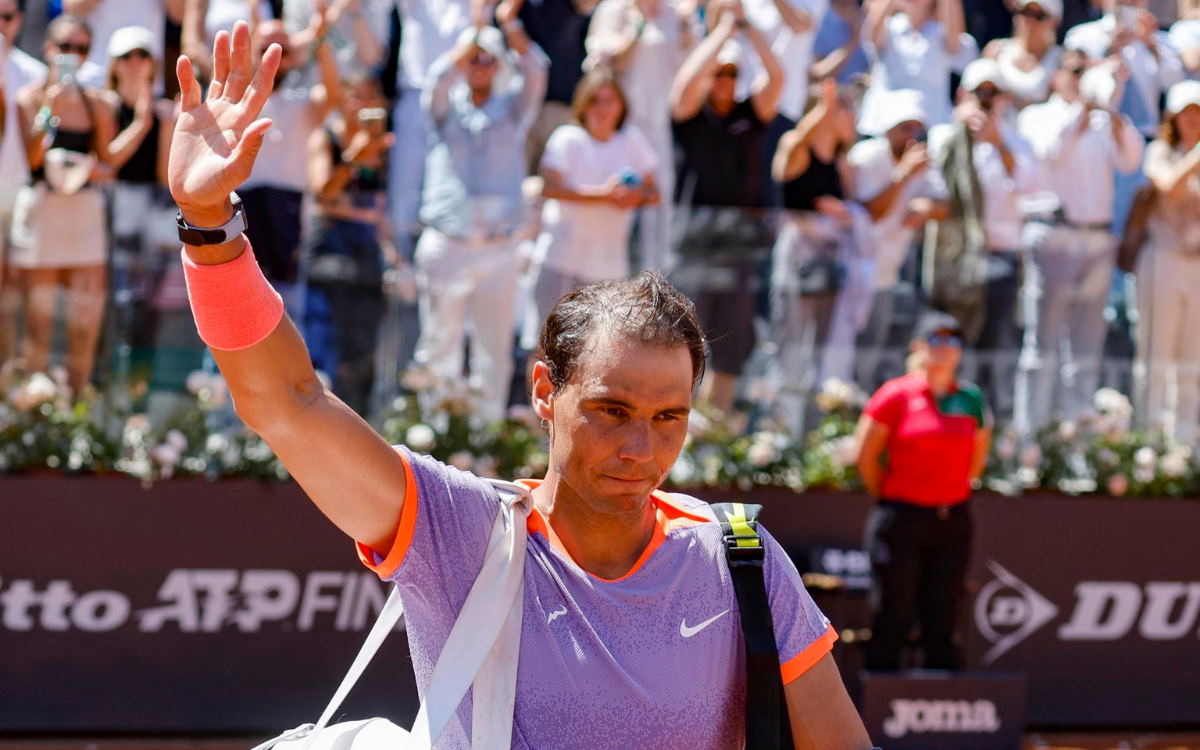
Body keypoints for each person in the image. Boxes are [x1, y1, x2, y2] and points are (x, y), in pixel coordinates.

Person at [167, 21, 875, 748]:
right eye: (611, 409)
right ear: (545, 391)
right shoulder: (460, 535)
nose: (641, 446)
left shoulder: (740, 559)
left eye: (670, 417)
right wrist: (208, 225)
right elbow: (287, 403)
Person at [413, 11, 549, 421]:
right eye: (473, 58)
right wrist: (470, 35)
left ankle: (484, 435)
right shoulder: (443, 109)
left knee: (494, 348)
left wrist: (505, 25)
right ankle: (435, 436)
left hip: (498, 246)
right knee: (439, 344)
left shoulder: (513, 111)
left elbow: (536, 68)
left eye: (488, 58)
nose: (479, 64)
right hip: (446, 241)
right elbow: (436, 79)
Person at [853, 310, 992, 672]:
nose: (945, 349)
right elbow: (866, 455)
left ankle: (940, 709)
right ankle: (878, 709)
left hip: (952, 520)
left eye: (953, 341)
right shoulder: (894, 394)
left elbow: (977, 459)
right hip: (901, 518)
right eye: (936, 340)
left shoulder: (972, 398)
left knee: (943, 615)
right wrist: (891, 496)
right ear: (918, 346)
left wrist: (950, 490)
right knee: (893, 613)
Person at [1014, 51, 1143, 430]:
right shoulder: (1037, 116)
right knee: (1043, 345)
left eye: (1088, 72)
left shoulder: (1106, 119)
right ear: (1056, 77)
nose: (1082, 78)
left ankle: (1075, 446)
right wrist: (1085, 108)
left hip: (1097, 240)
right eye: (1075, 71)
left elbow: (1131, 160)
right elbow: (1051, 149)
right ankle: (1030, 440)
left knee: (1086, 349)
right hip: (1054, 235)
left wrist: (1112, 110)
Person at [669, 0, 783, 414]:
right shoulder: (689, 117)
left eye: (732, 74)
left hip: (740, 247)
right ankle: (682, 420)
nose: (724, 81)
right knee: (685, 339)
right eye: (719, 73)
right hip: (695, 245)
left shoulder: (750, 116)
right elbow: (684, 82)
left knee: (732, 340)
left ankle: (717, 430)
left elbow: (778, 77)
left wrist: (747, 29)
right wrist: (719, 34)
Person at [9, 15, 116, 394]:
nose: (72, 55)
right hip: (42, 211)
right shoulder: (30, 98)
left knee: (84, 324)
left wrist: (84, 168)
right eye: (65, 47)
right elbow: (34, 159)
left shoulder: (99, 104)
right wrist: (50, 109)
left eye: (81, 48)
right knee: (38, 324)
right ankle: (35, 416)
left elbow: (109, 163)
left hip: (84, 214)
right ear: (48, 49)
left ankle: (76, 418)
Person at [925, 59, 1034, 418]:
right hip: (953, 266)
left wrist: (996, 141)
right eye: (979, 92)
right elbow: (935, 192)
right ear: (963, 95)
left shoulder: (1017, 141)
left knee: (995, 352)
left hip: (1000, 262)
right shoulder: (943, 137)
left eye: (993, 93)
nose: (986, 101)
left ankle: (989, 432)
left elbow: (1027, 190)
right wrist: (963, 135)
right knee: (951, 349)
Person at [769, 77, 861, 432]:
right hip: (796, 265)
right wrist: (825, 107)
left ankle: (811, 435)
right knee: (789, 350)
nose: (852, 117)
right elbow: (789, 152)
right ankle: (782, 434)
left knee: (821, 357)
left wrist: (843, 213)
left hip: (831, 267)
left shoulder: (842, 162)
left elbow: (854, 211)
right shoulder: (797, 147)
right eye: (846, 109)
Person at [303, 73, 394, 416]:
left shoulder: (384, 146)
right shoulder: (325, 138)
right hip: (330, 250)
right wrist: (353, 158)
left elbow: (379, 208)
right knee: (322, 348)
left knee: (360, 353)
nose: (363, 105)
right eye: (356, 96)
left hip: (366, 255)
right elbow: (323, 191)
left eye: (371, 97)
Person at [534, 73, 658, 323]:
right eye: (595, 101)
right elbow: (548, 187)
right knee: (546, 345)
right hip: (562, 260)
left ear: (621, 105)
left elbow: (654, 193)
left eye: (609, 100)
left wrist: (633, 197)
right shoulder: (568, 138)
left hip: (609, 268)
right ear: (583, 105)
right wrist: (603, 195)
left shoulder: (631, 140)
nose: (602, 108)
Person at [584, 0, 696, 270]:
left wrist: (685, 24)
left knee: (657, 214)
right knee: (615, 206)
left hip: (662, 128)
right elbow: (608, 65)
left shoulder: (676, 14)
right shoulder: (613, 10)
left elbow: (689, 65)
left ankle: (653, 286)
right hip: (619, 129)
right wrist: (636, 27)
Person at [848, 88, 947, 390]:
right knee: (843, 354)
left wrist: (930, 209)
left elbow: (947, 205)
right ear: (888, 129)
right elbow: (870, 213)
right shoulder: (867, 157)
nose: (912, 136)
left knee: (870, 356)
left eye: (918, 129)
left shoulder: (921, 161)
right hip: (851, 275)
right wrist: (902, 175)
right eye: (906, 128)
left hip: (887, 276)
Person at [238, 14, 341, 305]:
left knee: (285, 298)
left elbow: (333, 92)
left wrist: (319, 41)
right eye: (265, 49)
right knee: (240, 294)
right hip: (244, 205)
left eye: (282, 51)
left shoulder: (303, 103)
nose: (274, 57)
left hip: (289, 208)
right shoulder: (239, 102)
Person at [103, 26, 178, 370]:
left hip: (149, 217)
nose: (135, 63)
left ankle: (135, 387)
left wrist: (163, 126)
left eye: (142, 55)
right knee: (112, 300)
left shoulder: (165, 114)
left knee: (145, 303)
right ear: (114, 65)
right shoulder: (103, 106)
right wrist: (141, 124)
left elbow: (164, 175)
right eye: (126, 56)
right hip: (111, 212)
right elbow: (109, 160)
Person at [1136, 80, 1200, 442]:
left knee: (1192, 360)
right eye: (1186, 112)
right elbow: (1168, 186)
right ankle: (1148, 442)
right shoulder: (1160, 151)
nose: (1192, 119)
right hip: (1162, 260)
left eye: (1198, 111)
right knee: (1156, 356)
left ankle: (1186, 446)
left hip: (1197, 265)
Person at [0, 0, 48, 366]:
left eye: (6, 17)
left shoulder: (35, 75)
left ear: (19, 20)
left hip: (21, 201)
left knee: (14, 297)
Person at [858, 0, 976, 136]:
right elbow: (872, 30)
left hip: (931, 127)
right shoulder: (889, 28)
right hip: (882, 126)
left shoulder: (941, 34)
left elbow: (955, 38)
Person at [981, 0, 1063, 108]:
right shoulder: (996, 51)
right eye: (1025, 12)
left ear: (1054, 22)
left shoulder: (1060, 59)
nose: (1030, 20)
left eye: (1039, 16)